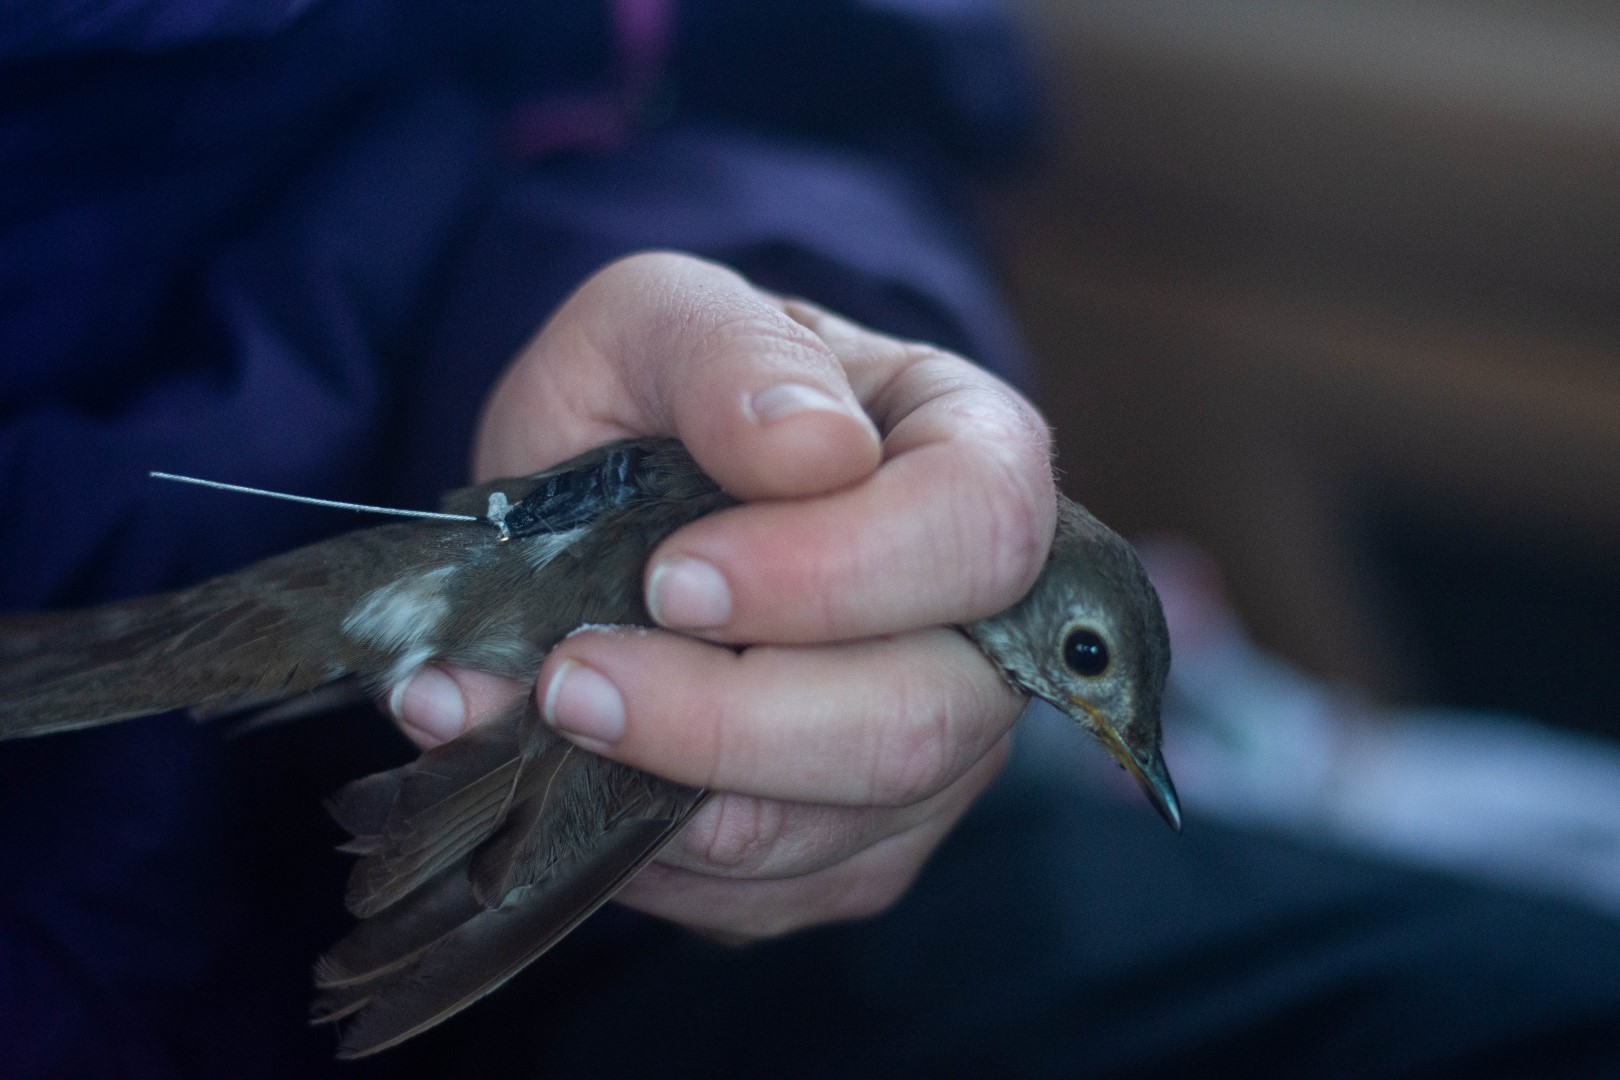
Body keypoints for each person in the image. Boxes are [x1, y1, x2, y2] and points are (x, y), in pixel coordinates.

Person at [3, 3, 1618, 1078]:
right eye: (1084, 665)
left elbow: (793, 57)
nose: (1103, 711)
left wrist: (794, 323)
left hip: (479, 761)